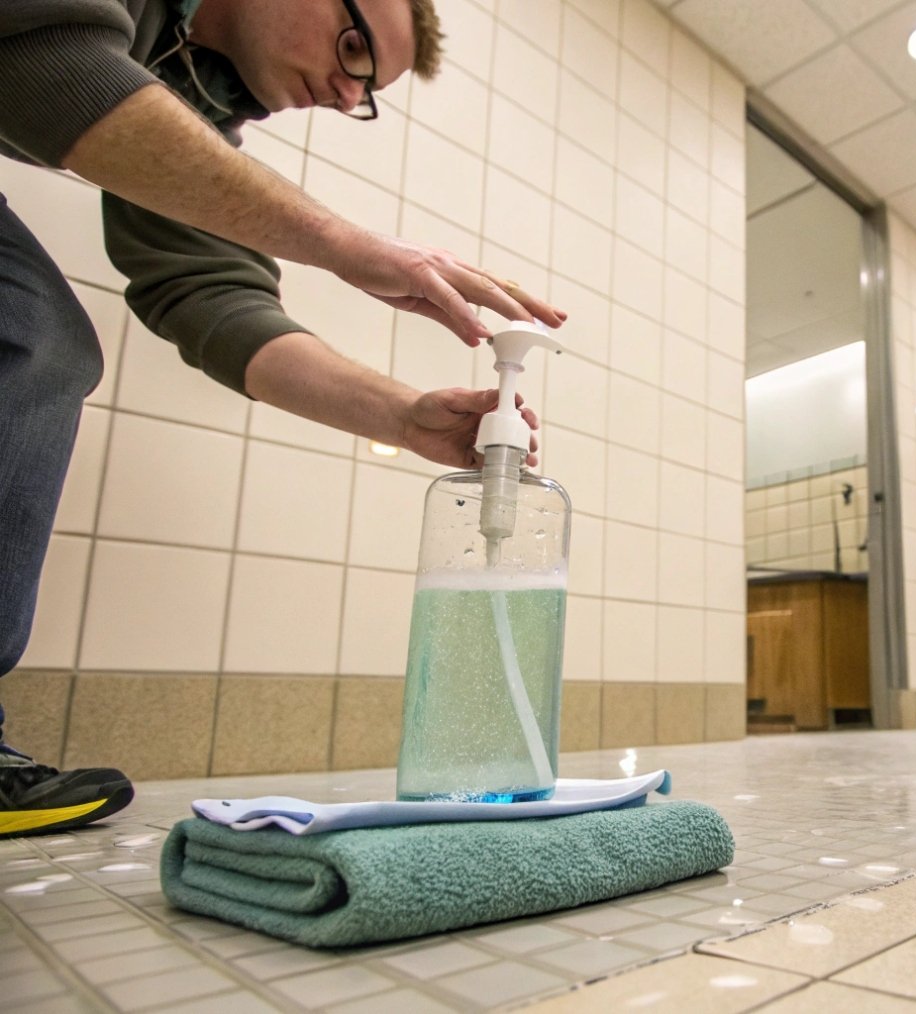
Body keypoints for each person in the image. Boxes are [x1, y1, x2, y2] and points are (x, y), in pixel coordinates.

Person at [0, 0, 567, 838]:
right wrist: (341, 242)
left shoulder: (182, 85)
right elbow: (44, 54)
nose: (346, 96)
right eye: (352, 50)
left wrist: (406, 418)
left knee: (37, 341)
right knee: (31, 334)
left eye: (366, 92)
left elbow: (206, 293)